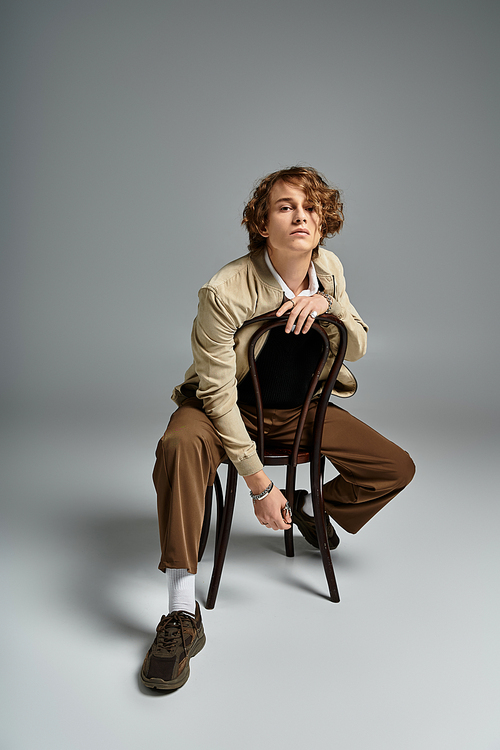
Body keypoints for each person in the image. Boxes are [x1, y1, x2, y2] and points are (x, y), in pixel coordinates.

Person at [140, 166, 415, 691]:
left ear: (323, 220)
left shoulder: (329, 267)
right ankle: (180, 613)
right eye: (286, 206)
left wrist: (327, 303)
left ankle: (312, 507)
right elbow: (217, 394)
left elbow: (356, 344)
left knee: (394, 467)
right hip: (226, 412)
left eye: (310, 207)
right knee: (178, 443)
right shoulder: (224, 289)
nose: (300, 217)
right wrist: (259, 483)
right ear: (262, 223)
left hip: (298, 412)